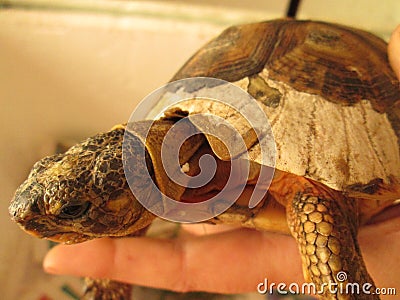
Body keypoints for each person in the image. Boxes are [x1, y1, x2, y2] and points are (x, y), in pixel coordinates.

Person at [43, 25, 400, 298]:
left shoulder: (308, 196)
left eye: (75, 209)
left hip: (317, 182)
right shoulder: (158, 172)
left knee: (317, 222)